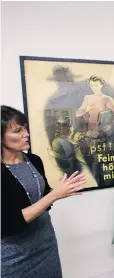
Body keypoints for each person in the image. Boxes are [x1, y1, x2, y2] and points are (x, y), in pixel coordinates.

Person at [1, 105, 87, 278]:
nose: (26, 134)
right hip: (15, 257)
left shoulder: (33, 160)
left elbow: (42, 198)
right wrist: (54, 195)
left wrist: (63, 190)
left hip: (46, 246)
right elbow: (8, 224)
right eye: (18, 130)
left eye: (25, 127)